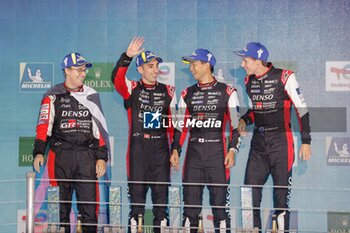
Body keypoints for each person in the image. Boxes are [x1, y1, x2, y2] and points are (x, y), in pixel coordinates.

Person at [234, 42, 312, 232]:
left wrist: (306, 141)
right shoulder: (248, 82)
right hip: (258, 144)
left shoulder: (285, 77)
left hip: (281, 142)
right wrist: (244, 120)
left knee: (281, 199)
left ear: (258, 60)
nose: (242, 65)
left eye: (245, 60)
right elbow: (255, 112)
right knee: (249, 197)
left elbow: (302, 111)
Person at [33, 52, 109, 233]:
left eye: (84, 70)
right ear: (66, 71)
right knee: (61, 210)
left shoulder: (92, 95)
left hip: (86, 157)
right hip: (61, 157)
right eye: (79, 70)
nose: (83, 74)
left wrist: (101, 157)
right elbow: (44, 125)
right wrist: (38, 151)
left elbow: (100, 130)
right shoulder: (53, 95)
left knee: (90, 209)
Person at [111, 36, 180, 233]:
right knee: (136, 211)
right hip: (138, 153)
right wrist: (127, 57)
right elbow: (116, 80)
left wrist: (175, 148)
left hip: (160, 153)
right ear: (140, 69)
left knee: (161, 210)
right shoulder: (131, 89)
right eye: (150, 66)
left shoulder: (169, 91)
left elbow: (176, 123)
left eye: (157, 65)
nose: (155, 69)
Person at [170, 48, 241, 233]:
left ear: (206, 64)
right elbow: (180, 127)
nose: (191, 69)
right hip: (193, 157)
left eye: (194, 64)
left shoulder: (227, 92)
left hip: (217, 156)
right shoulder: (187, 93)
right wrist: (176, 149)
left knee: (220, 211)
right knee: (190, 211)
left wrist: (233, 150)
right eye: (190, 65)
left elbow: (236, 126)